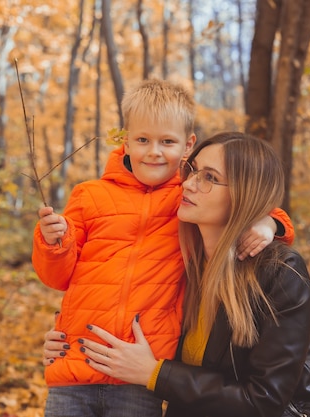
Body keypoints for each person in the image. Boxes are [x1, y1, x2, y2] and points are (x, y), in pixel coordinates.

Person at [33, 80, 295, 417]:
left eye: (166, 142)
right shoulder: (89, 195)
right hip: (74, 367)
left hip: (140, 374)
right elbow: (57, 277)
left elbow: (246, 202)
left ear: (188, 145)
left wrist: (269, 223)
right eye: (142, 140)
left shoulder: (187, 195)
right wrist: (54, 244)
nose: (154, 152)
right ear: (126, 140)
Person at [53, 132, 310, 417]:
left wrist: (154, 373)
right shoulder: (183, 264)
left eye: (210, 178)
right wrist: (69, 342)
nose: (188, 184)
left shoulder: (280, 273)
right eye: (193, 171)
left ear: (243, 194)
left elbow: (265, 401)